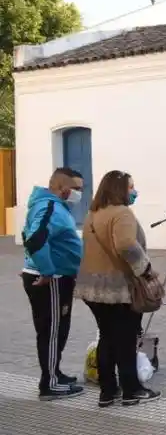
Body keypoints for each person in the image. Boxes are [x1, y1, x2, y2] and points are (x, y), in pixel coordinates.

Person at [74, 170, 161, 407]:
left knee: (107, 337)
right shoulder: (122, 213)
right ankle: (132, 390)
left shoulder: (93, 213)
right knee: (125, 339)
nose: (134, 191)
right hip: (118, 287)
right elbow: (125, 245)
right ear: (120, 189)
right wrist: (145, 268)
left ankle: (108, 391)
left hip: (92, 288)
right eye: (131, 187)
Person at [21, 167, 86, 400]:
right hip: (52, 279)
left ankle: (54, 372)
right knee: (52, 331)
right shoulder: (49, 206)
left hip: (57, 276)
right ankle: (49, 383)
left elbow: (30, 233)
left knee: (58, 329)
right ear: (61, 188)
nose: (80, 193)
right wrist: (47, 270)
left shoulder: (51, 206)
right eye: (77, 188)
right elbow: (35, 238)